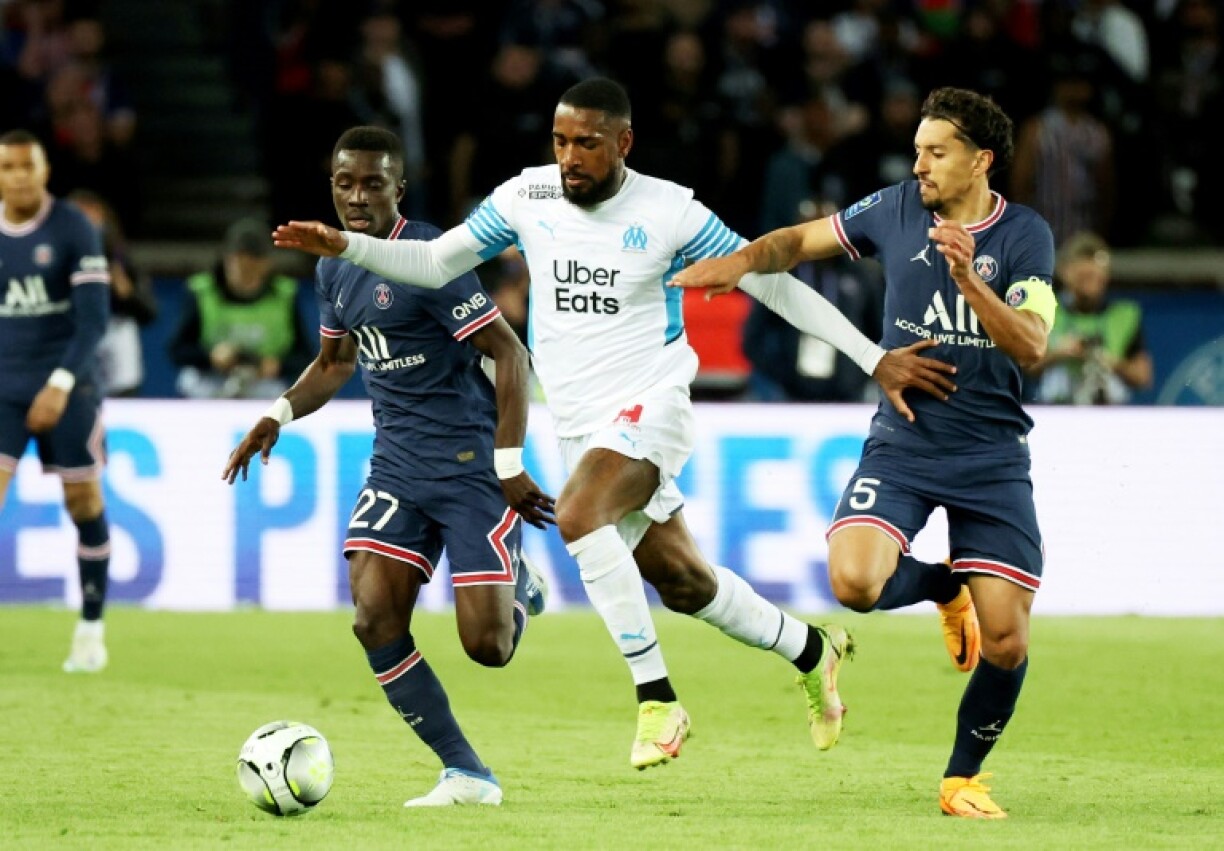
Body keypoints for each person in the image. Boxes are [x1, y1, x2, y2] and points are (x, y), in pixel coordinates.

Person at [272, 78, 956, 770]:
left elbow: (770, 280)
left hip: (651, 401)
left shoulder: (670, 212)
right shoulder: (527, 197)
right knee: (686, 581)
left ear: (623, 143)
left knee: (578, 514)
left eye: (588, 144)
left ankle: (658, 698)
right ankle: (814, 650)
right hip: (579, 418)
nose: (570, 157)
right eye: (562, 141)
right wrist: (345, 246)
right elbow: (432, 259)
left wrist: (873, 358)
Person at [672, 87, 1057, 820]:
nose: (920, 165)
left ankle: (961, 779)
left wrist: (970, 278)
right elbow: (798, 241)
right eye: (916, 150)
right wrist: (742, 262)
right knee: (852, 582)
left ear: (981, 160)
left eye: (936, 152)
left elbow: (1033, 344)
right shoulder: (894, 209)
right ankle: (946, 587)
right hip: (905, 441)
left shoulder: (1025, 236)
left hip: (991, 456)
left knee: (1006, 640)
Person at [223, 126, 555, 808]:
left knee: (488, 647)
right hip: (397, 466)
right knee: (374, 617)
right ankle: (466, 772)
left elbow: (511, 354)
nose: (356, 197)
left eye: (372, 183)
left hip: (468, 466)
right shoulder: (332, 266)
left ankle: (520, 584)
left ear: (397, 189)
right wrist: (277, 414)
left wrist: (510, 463)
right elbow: (336, 363)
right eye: (344, 183)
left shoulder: (429, 257)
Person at [0, 129, 112, 672]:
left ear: (44, 170)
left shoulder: (74, 227)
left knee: (83, 505)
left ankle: (91, 628)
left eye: (28, 166)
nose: (18, 175)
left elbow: (93, 320)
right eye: (8, 167)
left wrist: (60, 383)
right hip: (4, 386)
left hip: (69, 386)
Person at [170, 217, 313, 400]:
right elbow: (177, 350)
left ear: (266, 265)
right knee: (190, 381)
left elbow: (305, 355)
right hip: (213, 380)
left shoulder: (284, 294)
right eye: (240, 265)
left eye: (253, 267)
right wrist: (210, 357)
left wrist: (277, 365)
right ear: (227, 261)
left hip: (264, 383)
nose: (246, 275)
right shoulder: (202, 292)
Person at [1032, 230, 1152, 404]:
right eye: (1083, 277)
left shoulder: (1124, 315)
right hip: (1057, 410)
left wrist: (1109, 361)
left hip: (1107, 411)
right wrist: (1059, 354)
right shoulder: (1044, 310)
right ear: (1064, 273)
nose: (1089, 286)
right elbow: (1025, 366)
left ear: (1106, 276)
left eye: (1094, 277)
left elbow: (1143, 376)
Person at [68, 189, 157, 397]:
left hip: (118, 352)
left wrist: (126, 293)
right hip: (74, 348)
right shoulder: (55, 262)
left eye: (93, 218)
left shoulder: (121, 262)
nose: (88, 226)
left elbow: (149, 313)